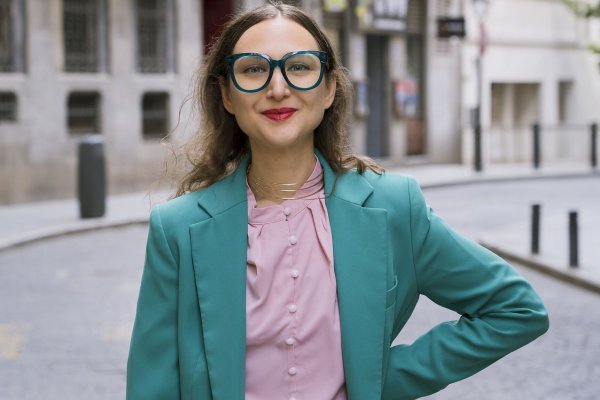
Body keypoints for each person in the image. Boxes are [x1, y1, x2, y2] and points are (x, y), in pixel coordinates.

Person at [126, 2, 549, 399]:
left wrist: (376, 377)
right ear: (227, 95)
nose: (278, 88)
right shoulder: (178, 229)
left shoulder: (394, 206)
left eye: (299, 68)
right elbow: (153, 384)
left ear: (329, 88)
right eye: (254, 70)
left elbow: (515, 309)